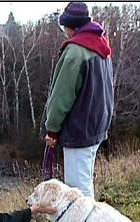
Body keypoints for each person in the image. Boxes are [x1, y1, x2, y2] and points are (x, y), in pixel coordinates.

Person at [45, 2, 114, 198]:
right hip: (97, 124)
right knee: (85, 182)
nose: (64, 31)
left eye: (64, 27)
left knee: (78, 191)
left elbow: (61, 95)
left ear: (71, 26)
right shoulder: (101, 45)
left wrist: (52, 129)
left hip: (79, 129)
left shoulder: (75, 51)